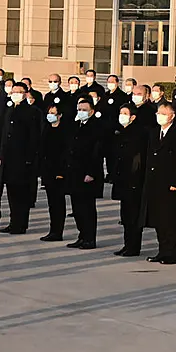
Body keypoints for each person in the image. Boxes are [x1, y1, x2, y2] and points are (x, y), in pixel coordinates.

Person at [142, 102, 176, 264]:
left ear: (172, 116)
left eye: (163, 113)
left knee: (171, 220)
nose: (159, 116)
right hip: (155, 181)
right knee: (159, 219)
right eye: (158, 113)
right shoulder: (154, 133)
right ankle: (162, 251)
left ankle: (172, 253)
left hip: (170, 183)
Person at [0, 83, 41, 234]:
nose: (15, 94)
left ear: (25, 93)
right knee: (11, 193)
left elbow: (34, 137)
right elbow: (4, 135)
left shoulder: (31, 111)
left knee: (21, 194)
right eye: (14, 91)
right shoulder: (9, 110)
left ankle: (21, 224)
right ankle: (13, 221)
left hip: (22, 159)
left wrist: (29, 158)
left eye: (19, 91)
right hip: (8, 159)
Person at [64, 97, 103, 249]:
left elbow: (97, 152)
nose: (81, 112)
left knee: (87, 207)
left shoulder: (96, 127)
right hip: (74, 171)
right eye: (79, 110)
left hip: (87, 173)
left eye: (84, 110)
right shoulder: (75, 126)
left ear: (92, 111)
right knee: (77, 207)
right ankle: (81, 235)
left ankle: (90, 238)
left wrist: (91, 172)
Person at [110, 103, 146, 257]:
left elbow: (138, 158)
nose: (122, 116)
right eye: (121, 112)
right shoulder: (120, 132)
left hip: (133, 180)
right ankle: (127, 244)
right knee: (125, 215)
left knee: (133, 216)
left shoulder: (138, 133)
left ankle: (133, 246)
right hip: (122, 178)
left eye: (125, 113)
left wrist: (134, 177)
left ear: (133, 117)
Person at [40, 104, 69, 241]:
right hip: (48, 171)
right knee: (51, 203)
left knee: (58, 203)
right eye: (49, 112)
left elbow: (65, 153)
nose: (50, 115)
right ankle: (52, 229)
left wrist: (61, 171)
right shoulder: (47, 129)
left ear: (60, 115)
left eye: (54, 113)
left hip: (59, 172)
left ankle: (58, 231)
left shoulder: (64, 131)